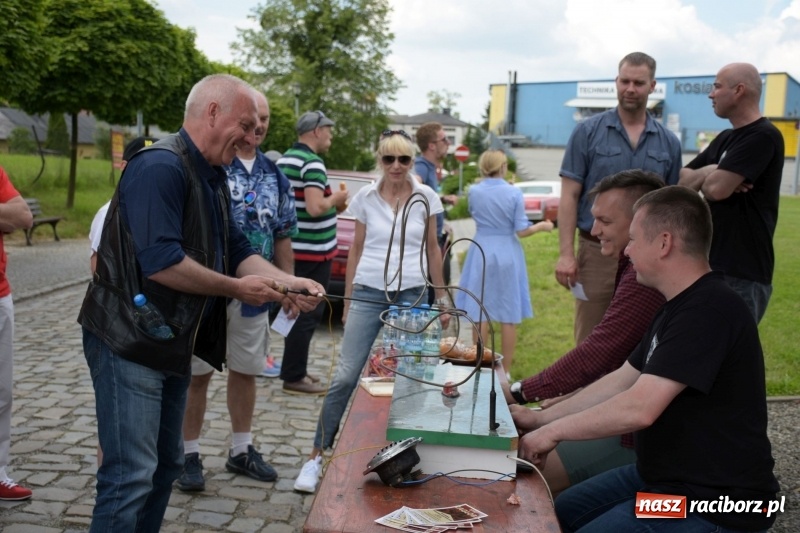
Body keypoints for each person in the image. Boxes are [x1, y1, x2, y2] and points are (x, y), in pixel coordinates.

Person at [78, 74, 324, 532]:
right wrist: (235, 289)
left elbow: (236, 248)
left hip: (167, 340)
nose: (253, 138)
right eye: (246, 126)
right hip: (127, 341)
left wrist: (288, 282)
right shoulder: (160, 166)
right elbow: (162, 262)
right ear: (213, 112)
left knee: (164, 468)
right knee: (129, 475)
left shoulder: (209, 174)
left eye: (257, 130)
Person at [513, 186, 779, 532]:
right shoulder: (676, 304)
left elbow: (639, 407)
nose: (627, 249)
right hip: (664, 479)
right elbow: (622, 380)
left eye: (635, 239)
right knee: (566, 511)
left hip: (716, 501)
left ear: (664, 243)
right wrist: (540, 420)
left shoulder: (710, 309)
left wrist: (553, 433)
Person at [293, 129, 450, 494]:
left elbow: (432, 249)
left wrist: (441, 300)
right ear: (379, 160)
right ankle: (316, 456)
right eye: (389, 159)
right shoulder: (364, 197)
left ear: (413, 160)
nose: (396, 166)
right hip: (367, 289)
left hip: (411, 290)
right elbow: (357, 249)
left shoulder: (426, 197)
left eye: (404, 159)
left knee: (410, 376)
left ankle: (407, 458)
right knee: (346, 375)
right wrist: (347, 300)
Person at [503, 169, 665, 495]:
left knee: (520, 478)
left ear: (640, 223)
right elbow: (619, 370)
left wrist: (521, 391)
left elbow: (600, 352)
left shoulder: (646, 278)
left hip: (642, 440)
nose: (593, 231)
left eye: (605, 221)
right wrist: (557, 405)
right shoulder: (635, 269)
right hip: (630, 418)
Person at [176, 91, 298, 492]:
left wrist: (289, 286)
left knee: (246, 369)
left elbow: (283, 236)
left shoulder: (274, 175)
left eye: (264, 119)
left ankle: (241, 449)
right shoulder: (212, 162)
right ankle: (187, 453)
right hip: (207, 289)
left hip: (256, 291)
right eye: (253, 118)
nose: (259, 126)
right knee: (197, 374)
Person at [556, 51, 682, 344]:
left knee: (643, 337)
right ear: (616, 81)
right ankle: (584, 391)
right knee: (591, 339)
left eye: (638, 83)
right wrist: (565, 254)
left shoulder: (668, 142)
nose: (630, 88)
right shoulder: (587, 132)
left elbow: (671, 207)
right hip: (597, 251)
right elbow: (569, 196)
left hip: (649, 258)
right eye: (624, 80)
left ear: (652, 86)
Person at [678, 62, 784, 323]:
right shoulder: (726, 138)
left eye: (716, 86)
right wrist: (714, 169)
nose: (711, 94)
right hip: (708, 264)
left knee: (727, 358)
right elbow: (681, 183)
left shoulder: (763, 136)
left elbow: (715, 190)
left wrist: (710, 179)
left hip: (742, 273)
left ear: (739, 90)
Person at [454, 149, 553, 376]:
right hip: (507, 251)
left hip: (481, 250)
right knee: (509, 312)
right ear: (503, 167)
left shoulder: (474, 191)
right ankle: (505, 371)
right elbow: (522, 230)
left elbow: (474, 213)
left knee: (480, 310)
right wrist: (543, 226)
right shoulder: (513, 192)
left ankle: (479, 363)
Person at [277, 110, 349, 394]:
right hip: (314, 251)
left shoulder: (284, 159)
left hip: (291, 249)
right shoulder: (313, 163)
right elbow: (316, 206)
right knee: (306, 314)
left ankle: (293, 368)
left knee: (291, 308)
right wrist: (339, 198)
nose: (331, 136)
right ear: (316, 131)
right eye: (329, 130)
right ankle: (294, 377)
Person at [0, 165, 33, 501]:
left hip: (0, 294)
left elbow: (22, 215)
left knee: (2, 393)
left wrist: (8, 216)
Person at [89, 136, 159, 274]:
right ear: (123, 167)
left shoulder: (163, 209)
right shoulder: (109, 213)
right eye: (141, 165)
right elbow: (97, 262)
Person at [414, 122, 458, 304]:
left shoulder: (430, 167)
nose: (448, 143)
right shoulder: (422, 165)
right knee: (428, 297)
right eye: (444, 139)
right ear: (432, 145)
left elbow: (428, 194)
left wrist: (442, 199)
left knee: (431, 296)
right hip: (425, 245)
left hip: (434, 238)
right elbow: (415, 186)